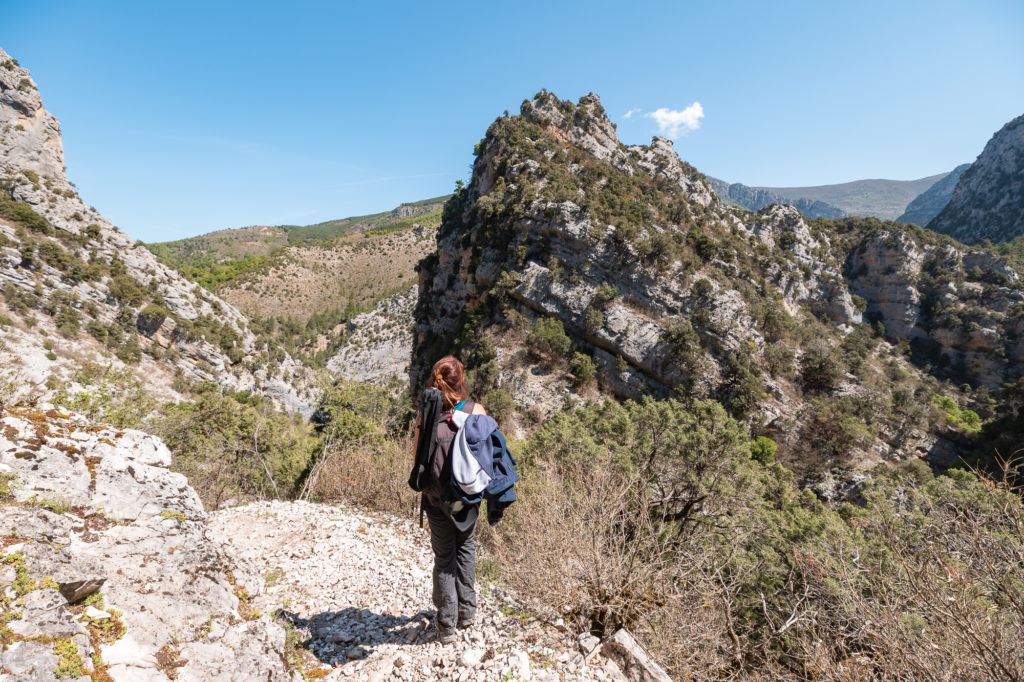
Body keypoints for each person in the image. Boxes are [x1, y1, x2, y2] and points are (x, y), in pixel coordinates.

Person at [414, 355, 488, 644]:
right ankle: (467, 613)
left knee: (444, 557)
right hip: (465, 498)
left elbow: (417, 461)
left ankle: (446, 625)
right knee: (466, 547)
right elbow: (486, 457)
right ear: (461, 381)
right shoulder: (476, 411)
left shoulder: (425, 416)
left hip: (435, 498)